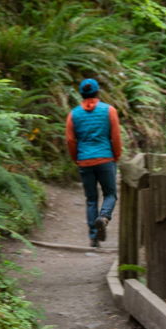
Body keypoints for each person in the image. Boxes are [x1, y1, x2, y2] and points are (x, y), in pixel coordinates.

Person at [65, 78, 123, 247]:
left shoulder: (73, 114)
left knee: (91, 199)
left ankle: (93, 237)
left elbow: (70, 140)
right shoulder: (109, 111)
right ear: (98, 92)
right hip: (106, 159)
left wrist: (76, 158)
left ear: (81, 94)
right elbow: (116, 136)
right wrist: (116, 155)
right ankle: (104, 217)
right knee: (110, 194)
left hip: (84, 161)